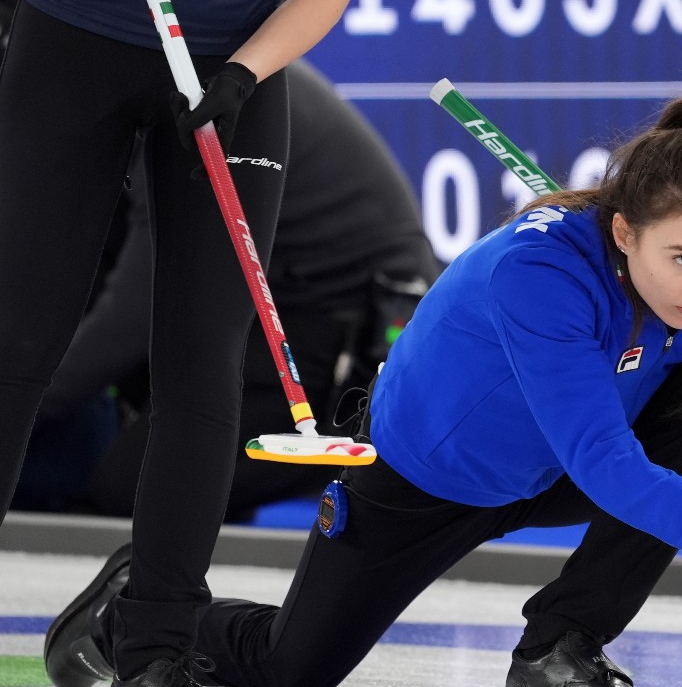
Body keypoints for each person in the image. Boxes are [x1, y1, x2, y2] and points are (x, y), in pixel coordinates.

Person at [45, 95, 682, 687]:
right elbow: (602, 461)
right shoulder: (540, 275)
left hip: (549, 470)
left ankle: (560, 650)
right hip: (421, 477)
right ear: (626, 230)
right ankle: (141, 603)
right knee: (295, 672)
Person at [0, 0, 353, 687]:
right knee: (16, 345)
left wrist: (245, 73)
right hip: (73, 35)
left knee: (204, 362)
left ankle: (155, 666)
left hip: (231, 65)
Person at [12, 59, 443, 521]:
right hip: (265, 300)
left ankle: (361, 465)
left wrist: (20, 403)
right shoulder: (154, 74)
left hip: (347, 333)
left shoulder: (191, 98)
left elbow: (134, 314)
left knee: (137, 490)